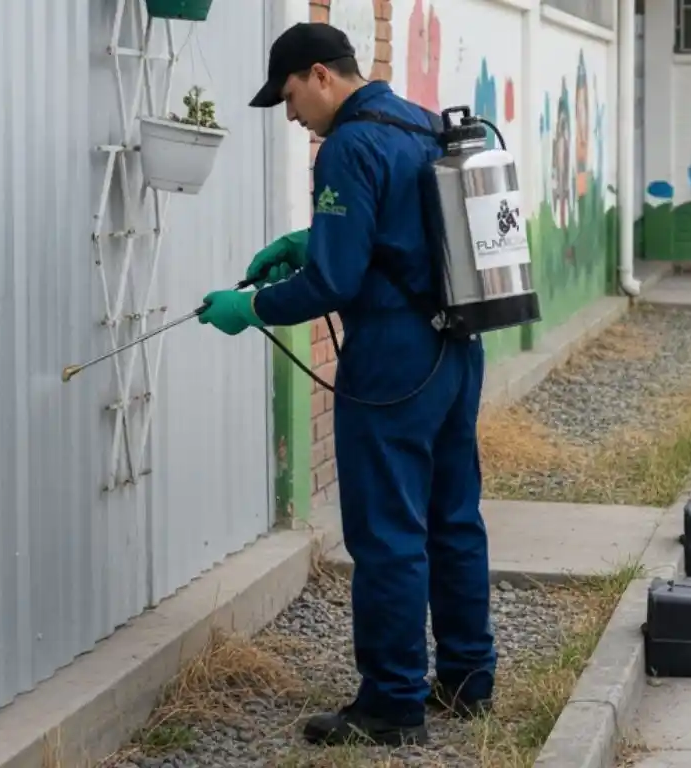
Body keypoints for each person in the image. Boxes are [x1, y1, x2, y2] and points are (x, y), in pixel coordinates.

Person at [196, 22, 496, 746]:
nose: (292, 115)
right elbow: (400, 230)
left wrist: (254, 307)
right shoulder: (424, 122)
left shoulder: (348, 147)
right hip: (457, 345)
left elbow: (336, 280)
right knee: (453, 518)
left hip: (394, 357)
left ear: (321, 75)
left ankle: (392, 705)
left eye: (291, 96)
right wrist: (307, 241)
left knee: (388, 530)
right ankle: (466, 680)